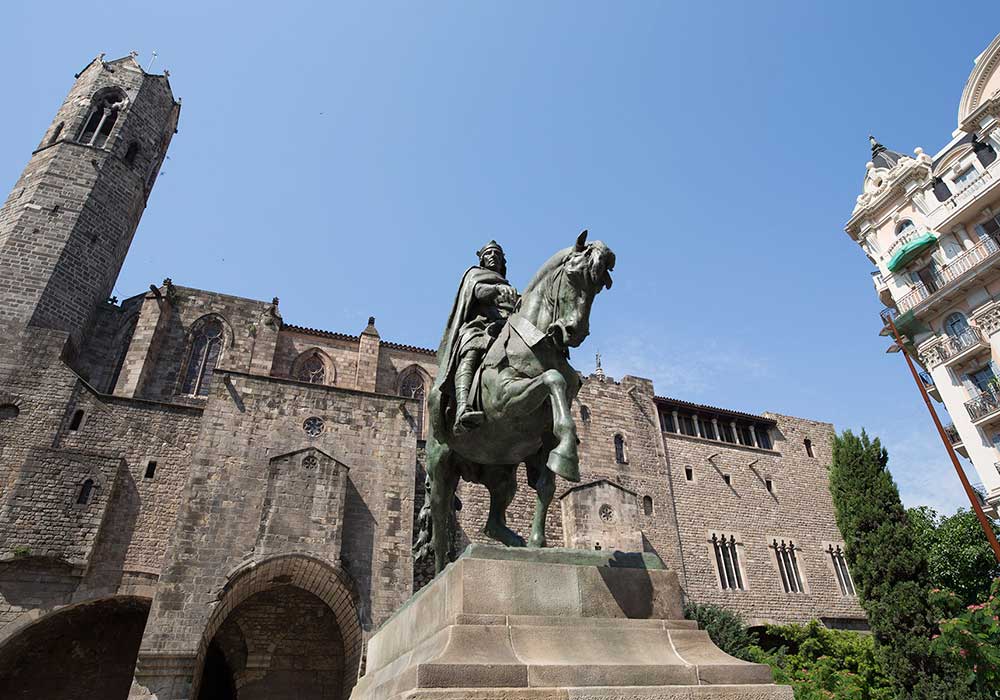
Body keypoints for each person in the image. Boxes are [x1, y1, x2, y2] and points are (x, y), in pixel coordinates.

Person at [431, 241, 518, 435]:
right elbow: (478, 291)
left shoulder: (509, 286)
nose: (493, 256)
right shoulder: (475, 275)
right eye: (489, 253)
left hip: (505, 327)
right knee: (471, 349)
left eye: (497, 254)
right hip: (478, 326)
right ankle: (463, 407)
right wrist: (496, 290)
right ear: (482, 259)